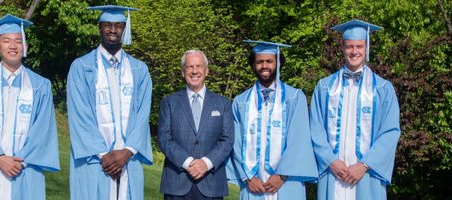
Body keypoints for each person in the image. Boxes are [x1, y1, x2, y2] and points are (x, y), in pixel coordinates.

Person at [0, 14, 60, 200]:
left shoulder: (40, 86)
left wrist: (18, 162)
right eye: (6, 41)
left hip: (24, 168)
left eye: (18, 41)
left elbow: (43, 130)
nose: (13, 46)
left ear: (26, 47)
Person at [67, 5, 153, 200]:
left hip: (128, 160)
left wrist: (127, 152)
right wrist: (104, 155)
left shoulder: (139, 70)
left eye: (118, 25)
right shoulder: (82, 67)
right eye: (107, 25)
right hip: (95, 160)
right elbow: (80, 115)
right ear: (99, 27)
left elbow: (142, 115)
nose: (113, 30)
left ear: (125, 29)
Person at [309, 19, 401, 200]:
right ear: (343, 49)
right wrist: (330, 161)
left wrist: (365, 165)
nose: (354, 51)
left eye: (359, 46)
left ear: (367, 49)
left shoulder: (383, 89)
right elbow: (315, 128)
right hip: (333, 173)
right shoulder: (325, 87)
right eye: (349, 46)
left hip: (366, 175)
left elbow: (390, 132)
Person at [227, 40, 318, 200]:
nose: (264, 66)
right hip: (253, 184)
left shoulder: (294, 97)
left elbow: (300, 140)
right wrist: (247, 177)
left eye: (269, 61)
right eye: (259, 62)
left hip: (287, 182)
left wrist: (281, 175)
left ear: (278, 63)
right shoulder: (241, 102)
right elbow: (235, 143)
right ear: (253, 65)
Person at [157, 50, 234, 199]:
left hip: (212, 184)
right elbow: (164, 138)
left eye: (199, 66)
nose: (194, 71)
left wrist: (205, 163)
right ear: (183, 72)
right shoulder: (169, 103)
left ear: (207, 71)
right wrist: (188, 163)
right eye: (189, 66)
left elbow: (227, 139)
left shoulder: (223, 103)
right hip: (176, 184)